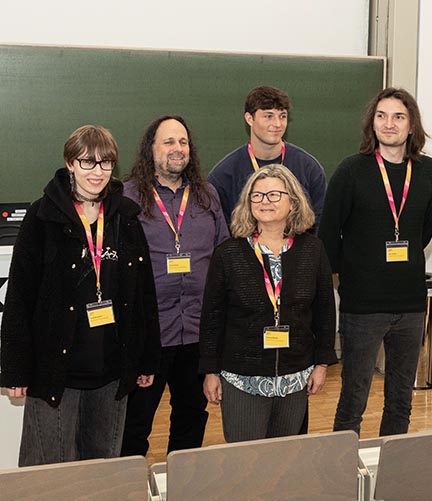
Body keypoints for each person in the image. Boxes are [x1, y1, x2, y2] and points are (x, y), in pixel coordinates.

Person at [0, 125, 160, 466]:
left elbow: (144, 295)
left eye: (105, 163)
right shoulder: (42, 216)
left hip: (111, 373)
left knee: (102, 468)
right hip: (56, 371)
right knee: (52, 469)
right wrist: (15, 370)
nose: (97, 172)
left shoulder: (126, 217)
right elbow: (19, 297)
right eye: (87, 162)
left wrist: (146, 360)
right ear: (70, 163)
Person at [319, 87, 432, 436]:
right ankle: (344, 473)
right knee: (353, 397)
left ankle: (391, 471)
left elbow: (425, 230)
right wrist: (353, 274)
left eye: (399, 117)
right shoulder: (352, 170)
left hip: (411, 304)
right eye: (382, 116)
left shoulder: (429, 171)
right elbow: (329, 235)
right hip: (362, 306)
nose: (390, 124)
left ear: (411, 125)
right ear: (372, 123)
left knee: (401, 398)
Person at [199, 165, 336, 441]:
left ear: (293, 201)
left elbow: (324, 311)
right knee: (246, 463)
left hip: (295, 378)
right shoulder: (228, 254)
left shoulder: (312, 250)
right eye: (257, 196)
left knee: (284, 463)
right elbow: (212, 318)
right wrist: (210, 371)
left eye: (274, 195)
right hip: (242, 379)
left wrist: (322, 364)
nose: (265, 202)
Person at [121, 116, 229, 457]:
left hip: (197, 331)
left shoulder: (206, 194)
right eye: (168, 142)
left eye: (182, 142)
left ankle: (181, 487)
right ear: (150, 149)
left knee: (191, 419)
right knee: (135, 425)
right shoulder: (127, 197)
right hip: (149, 335)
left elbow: (224, 254)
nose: (177, 149)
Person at [208, 85, 327, 226]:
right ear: (249, 119)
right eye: (268, 116)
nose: (277, 124)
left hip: (298, 247)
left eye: (282, 116)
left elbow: (320, 224)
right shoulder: (223, 175)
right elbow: (219, 232)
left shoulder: (309, 169)